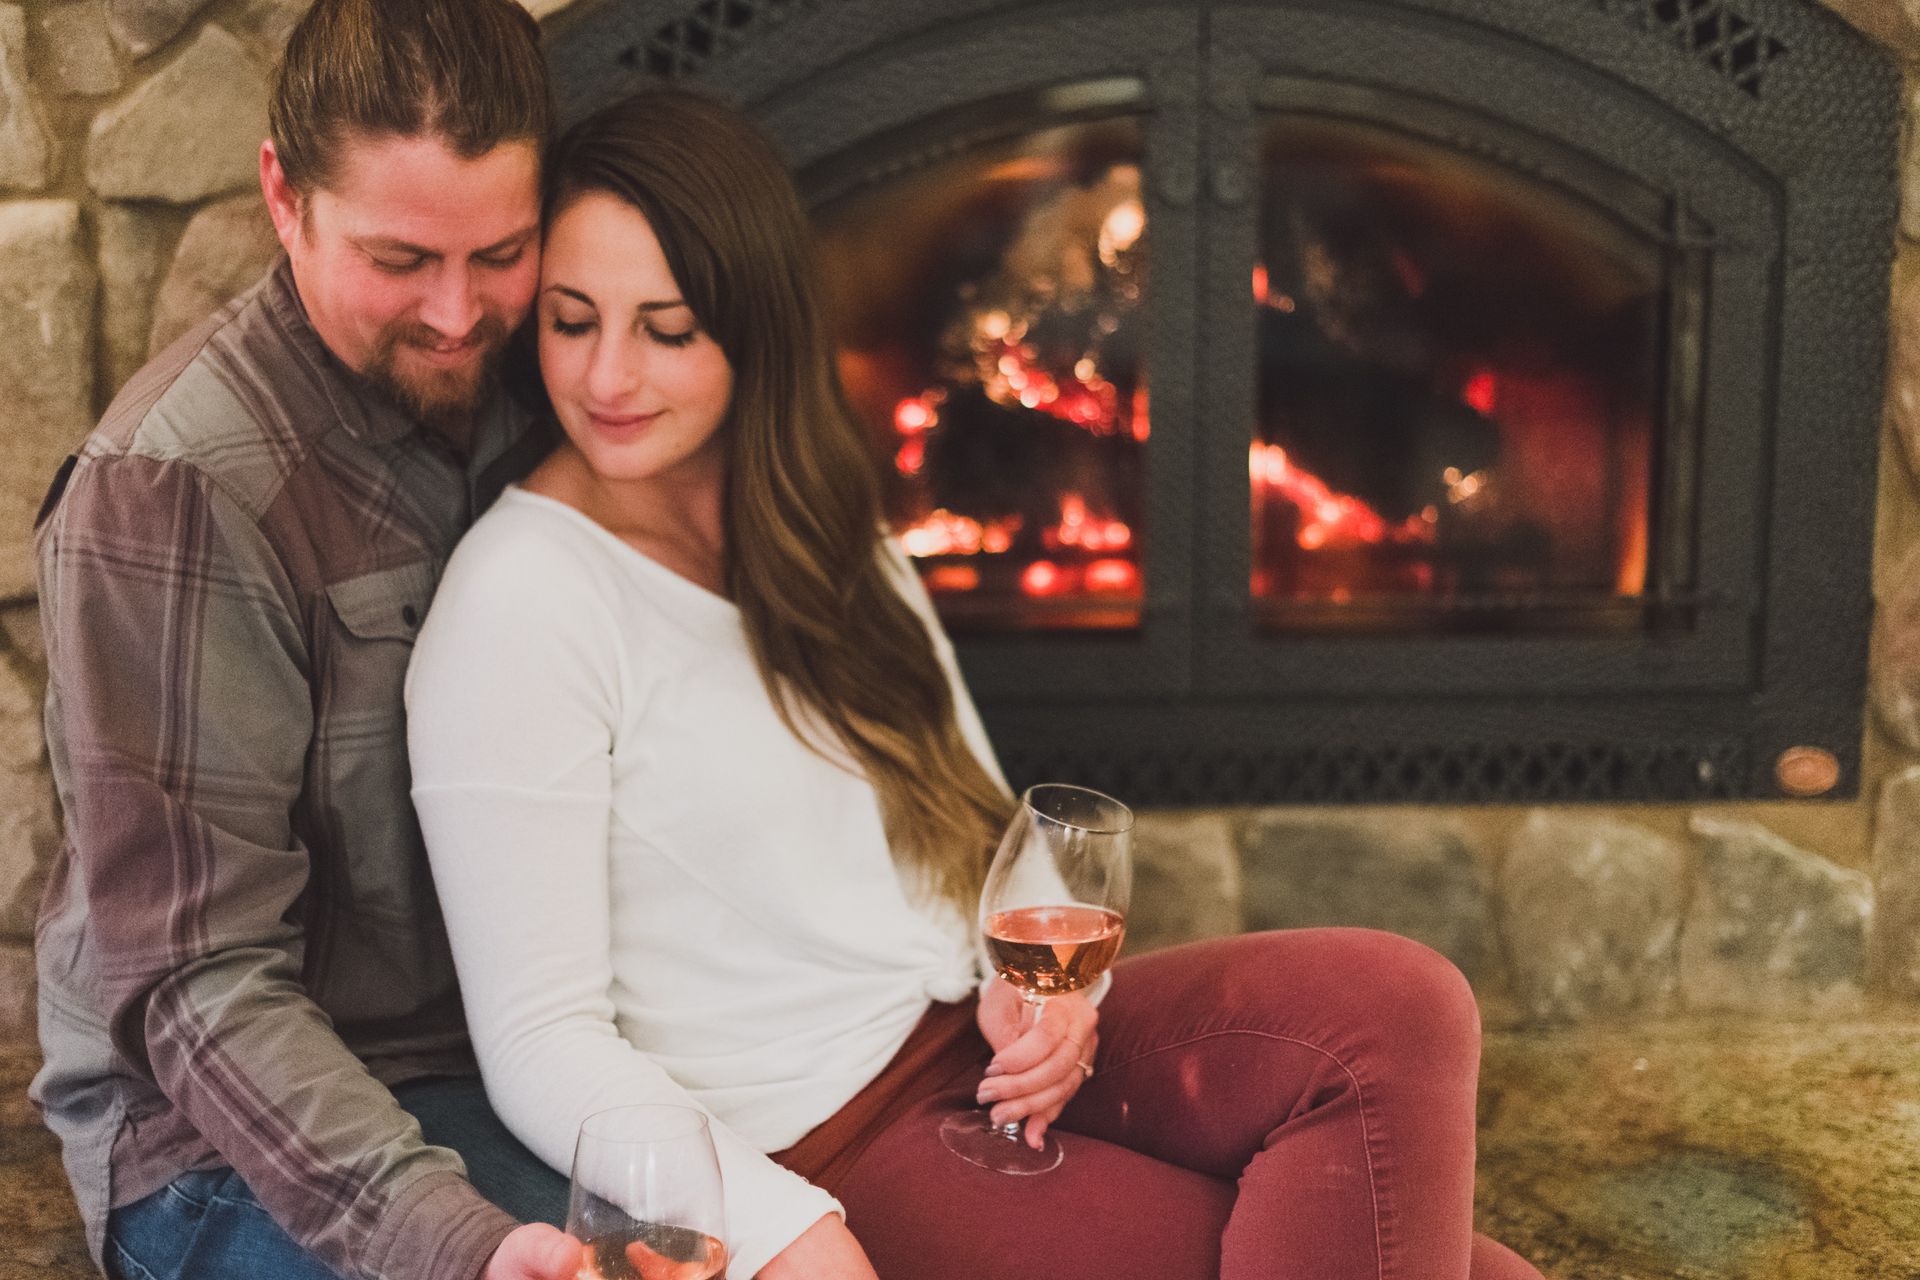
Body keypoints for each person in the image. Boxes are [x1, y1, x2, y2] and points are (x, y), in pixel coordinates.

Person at [406, 89, 1545, 1280]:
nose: (607, 375)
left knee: (1402, 1004)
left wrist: (1044, 993)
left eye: (667, 328)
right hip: (835, 1135)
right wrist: (782, 1234)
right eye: (571, 320)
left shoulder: (811, 523)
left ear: (756, 329)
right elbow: (541, 1039)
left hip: (985, 1045)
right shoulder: (520, 601)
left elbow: (981, 820)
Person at [30, 2, 583, 1278]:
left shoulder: (557, 378)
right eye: (399, 260)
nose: (458, 314)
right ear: (283, 196)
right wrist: (458, 1244)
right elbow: (196, 980)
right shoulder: (173, 487)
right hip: (215, 1129)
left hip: (514, 1055)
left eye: (499, 250)